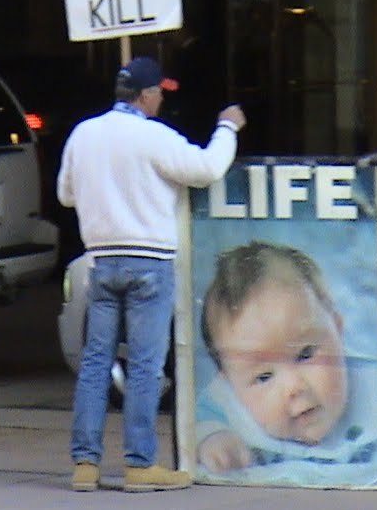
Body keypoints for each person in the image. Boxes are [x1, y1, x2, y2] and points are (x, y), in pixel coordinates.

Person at [57, 56, 246, 492]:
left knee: (95, 363)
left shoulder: (83, 134)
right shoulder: (155, 136)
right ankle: (141, 465)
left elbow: (66, 194)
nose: (163, 98)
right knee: (144, 365)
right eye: (160, 92)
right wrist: (227, 127)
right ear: (144, 96)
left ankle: (85, 465)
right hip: (150, 261)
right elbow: (206, 169)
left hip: (101, 261)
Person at [197, 241, 377, 477]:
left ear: (337, 328)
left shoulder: (376, 387)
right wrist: (212, 438)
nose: (294, 387)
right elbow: (196, 424)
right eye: (264, 377)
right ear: (229, 383)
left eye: (305, 354)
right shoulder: (223, 405)